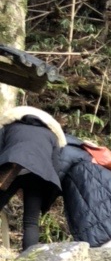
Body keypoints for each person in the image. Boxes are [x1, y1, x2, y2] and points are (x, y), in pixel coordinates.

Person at [56, 134, 111, 248]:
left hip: (98, 201)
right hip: (109, 198)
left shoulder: (65, 149)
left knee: (106, 243)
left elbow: (55, 178)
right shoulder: (79, 148)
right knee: (110, 234)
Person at [0, 106, 67, 249]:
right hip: (39, 175)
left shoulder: (10, 127)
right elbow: (56, 165)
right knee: (31, 222)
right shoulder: (51, 136)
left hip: (12, 168)